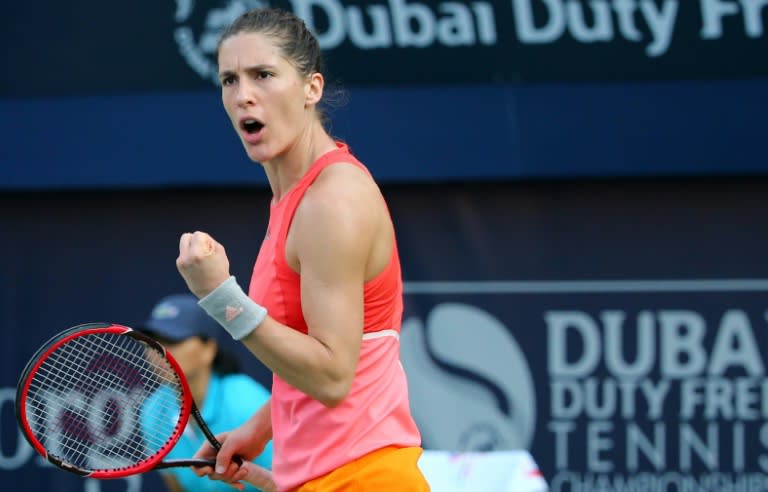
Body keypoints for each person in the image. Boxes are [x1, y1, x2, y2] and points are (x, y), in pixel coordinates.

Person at [174, 6, 430, 492]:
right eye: (229, 80)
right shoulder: (293, 198)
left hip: (366, 478)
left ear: (311, 88)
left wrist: (220, 297)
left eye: (263, 75)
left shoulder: (331, 201)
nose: (243, 95)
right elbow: (339, 362)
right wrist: (260, 429)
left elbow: (332, 375)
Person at [139, 293, 274, 492]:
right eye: (152, 342)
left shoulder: (247, 404)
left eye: (172, 340)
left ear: (208, 349)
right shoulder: (152, 412)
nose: (159, 351)